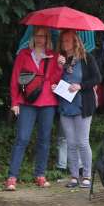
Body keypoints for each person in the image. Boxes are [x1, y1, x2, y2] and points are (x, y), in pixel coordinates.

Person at [5, 27, 64, 191]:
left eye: (43, 36)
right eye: (37, 35)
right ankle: (12, 177)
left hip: (47, 101)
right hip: (27, 101)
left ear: (47, 38)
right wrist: (15, 102)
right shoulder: (24, 54)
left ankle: (40, 174)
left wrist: (59, 67)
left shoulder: (53, 56)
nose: (40, 39)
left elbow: (54, 80)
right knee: (22, 138)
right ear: (33, 37)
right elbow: (15, 79)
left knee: (44, 140)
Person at [56, 30, 101, 188]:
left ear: (75, 42)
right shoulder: (61, 60)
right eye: (63, 41)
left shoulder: (87, 58)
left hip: (82, 105)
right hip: (66, 106)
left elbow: (97, 78)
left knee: (82, 142)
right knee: (70, 142)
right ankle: (74, 176)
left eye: (68, 41)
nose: (65, 44)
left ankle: (87, 175)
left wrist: (80, 86)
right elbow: (56, 79)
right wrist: (58, 72)